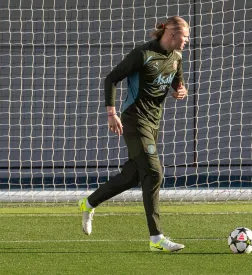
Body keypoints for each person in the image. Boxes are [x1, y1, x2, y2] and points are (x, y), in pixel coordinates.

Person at [78, 16, 190, 252]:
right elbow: (111, 78)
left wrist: (180, 91)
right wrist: (111, 113)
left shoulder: (177, 58)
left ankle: (89, 203)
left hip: (154, 123)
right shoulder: (141, 55)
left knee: (132, 176)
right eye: (185, 36)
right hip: (133, 120)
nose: (187, 41)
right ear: (172, 34)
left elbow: (177, 85)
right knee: (154, 172)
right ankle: (156, 238)